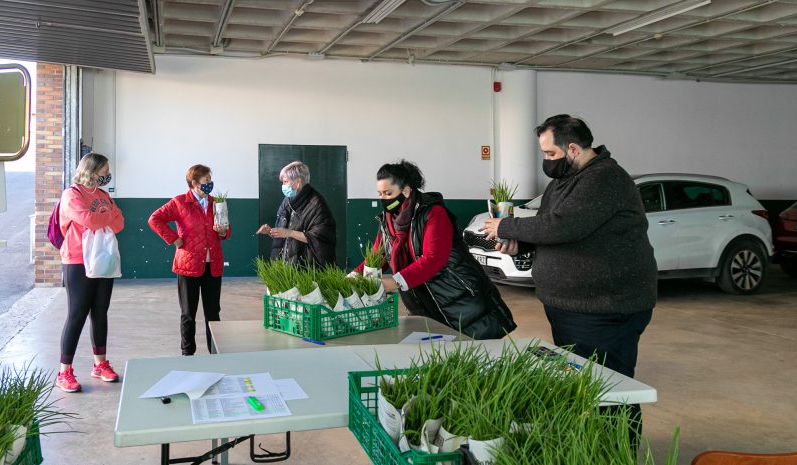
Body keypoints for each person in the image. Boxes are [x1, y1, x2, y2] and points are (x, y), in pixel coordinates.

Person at [481, 114, 657, 438]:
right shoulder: (562, 183)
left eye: (550, 154)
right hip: (570, 307)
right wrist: (518, 245)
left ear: (573, 149)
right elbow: (551, 230)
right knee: (581, 385)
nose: (547, 162)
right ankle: (591, 446)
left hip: (605, 309)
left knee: (611, 391)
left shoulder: (605, 178)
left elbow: (564, 225)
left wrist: (505, 226)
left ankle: (618, 454)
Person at [353, 160, 516, 339]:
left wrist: (396, 281)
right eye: (380, 194)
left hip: (459, 298)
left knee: (469, 352)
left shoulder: (433, 213)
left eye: (388, 193)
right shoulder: (388, 220)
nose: (383, 199)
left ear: (406, 191)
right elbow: (378, 255)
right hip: (422, 301)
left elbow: (434, 258)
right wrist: (353, 277)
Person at [56, 152, 125, 393]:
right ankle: (64, 371)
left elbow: (120, 223)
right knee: (77, 314)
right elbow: (88, 220)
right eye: (105, 171)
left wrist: (102, 217)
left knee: (100, 312)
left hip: (103, 260)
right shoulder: (72, 194)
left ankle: (100, 364)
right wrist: (106, 216)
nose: (107, 175)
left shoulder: (104, 195)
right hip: (77, 260)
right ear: (92, 171)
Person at [148, 164, 231, 356]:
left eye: (211, 180)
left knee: (213, 313)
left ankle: (215, 352)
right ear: (194, 183)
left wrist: (223, 231)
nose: (210, 184)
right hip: (188, 265)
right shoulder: (179, 202)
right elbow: (154, 219)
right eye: (206, 181)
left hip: (213, 265)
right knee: (188, 314)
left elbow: (226, 231)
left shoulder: (216, 202)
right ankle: (188, 353)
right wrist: (174, 239)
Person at [256, 161, 336, 267]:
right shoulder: (287, 201)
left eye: (285, 182)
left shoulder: (317, 204)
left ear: (298, 182)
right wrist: (271, 232)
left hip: (307, 268)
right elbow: (285, 234)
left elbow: (320, 238)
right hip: (285, 267)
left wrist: (290, 233)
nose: (283, 186)